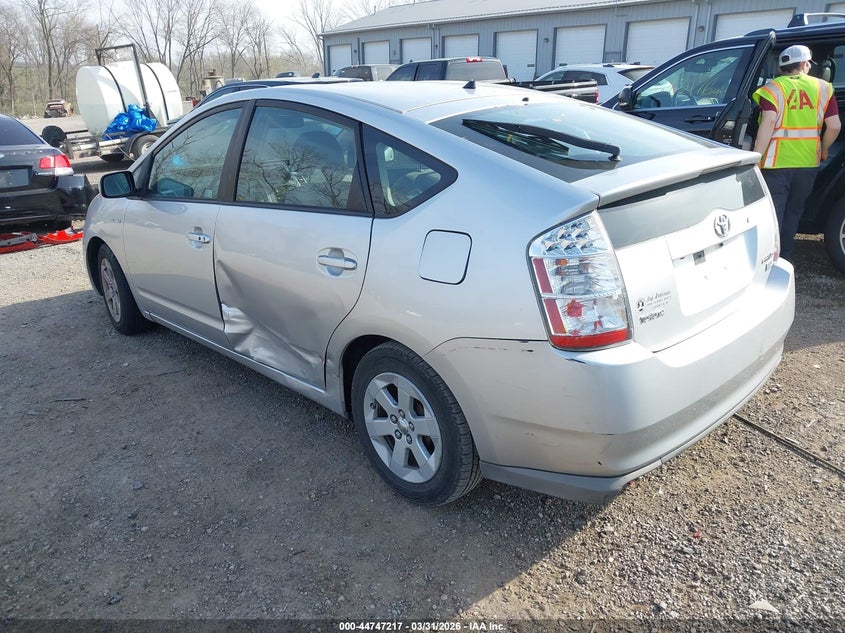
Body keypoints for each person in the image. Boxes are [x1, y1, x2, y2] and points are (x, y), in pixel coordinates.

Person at [752, 44, 841, 261]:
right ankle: (787, 259)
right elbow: (835, 126)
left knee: (774, 215)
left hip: (775, 164)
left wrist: (756, 158)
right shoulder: (823, 88)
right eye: (809, 63)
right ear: (803, 64)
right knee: (793, 215)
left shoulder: (772, 89)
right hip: (807, 164)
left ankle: (770, 260)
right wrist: (824, 149)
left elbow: (769, 122)